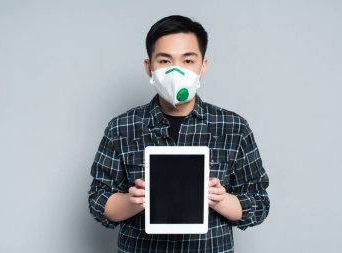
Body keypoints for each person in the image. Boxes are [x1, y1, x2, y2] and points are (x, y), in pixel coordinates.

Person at [88, 15, 270, 253]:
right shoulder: (121, 127)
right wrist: (133, 201)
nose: (176, 71)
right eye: (164, 61)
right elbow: (98, 201)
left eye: (188, 61)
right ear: (149, 67)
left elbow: (258, 203)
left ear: (202, 66)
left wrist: (220, 199)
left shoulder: (234, 127)